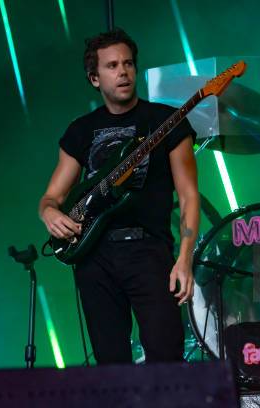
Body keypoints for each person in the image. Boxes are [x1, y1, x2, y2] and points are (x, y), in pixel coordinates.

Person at [38, 28, 199, 364]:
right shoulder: (81, 130)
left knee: (167, 357)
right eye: (111, 66)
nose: (123, 71)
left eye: (128, 64)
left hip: (149, 252)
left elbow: (188, 195)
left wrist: (184, 259)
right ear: (95, 78)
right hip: (94, 257)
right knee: (111, 365)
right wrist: (49, 213)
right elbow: (52, 196)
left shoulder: (166, 120)